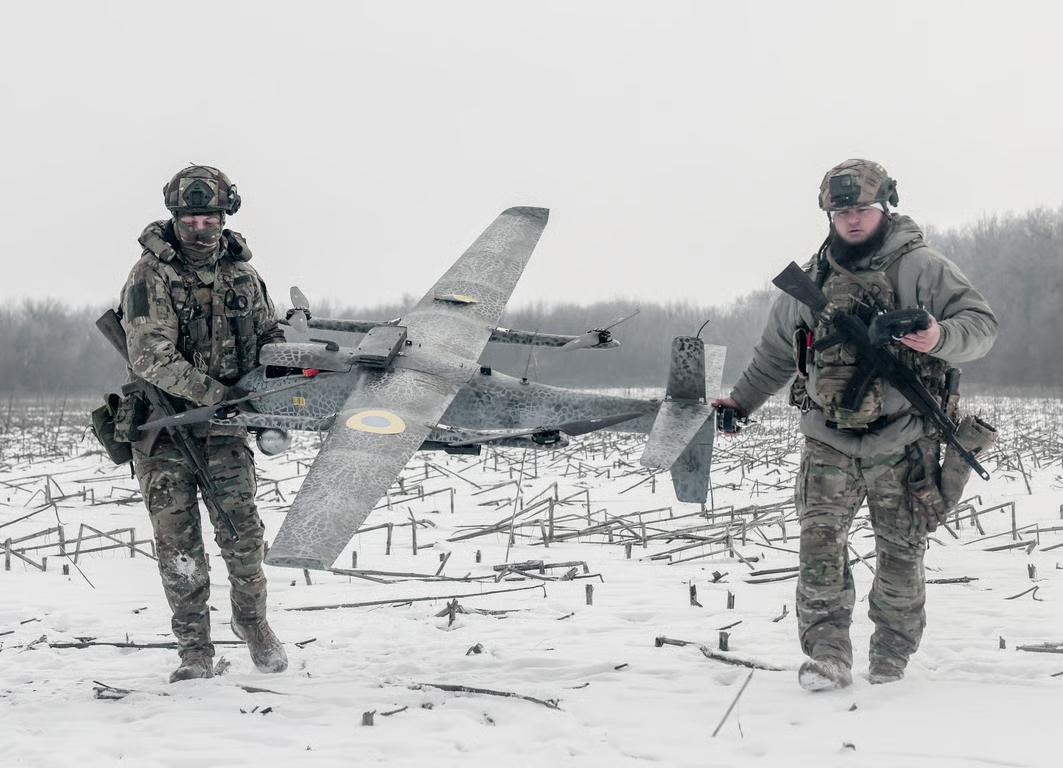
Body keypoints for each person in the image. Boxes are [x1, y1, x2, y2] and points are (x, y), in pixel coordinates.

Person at [713, 159, 997, 690]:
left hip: (905, 439)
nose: (853, 219)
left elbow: (981, 326)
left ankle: (890, 659)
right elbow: (775, 355)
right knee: (818, 550)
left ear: (884, 206)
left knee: (901, 556)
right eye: (842, 210)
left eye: (863, 208)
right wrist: (741, 404)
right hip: (827, 440)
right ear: (829, 214)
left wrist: (938, 337)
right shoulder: (810, 280)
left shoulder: (923, 268)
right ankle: (827, 655)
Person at [121, 165, 288, 682]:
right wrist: (218, 395)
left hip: (226, 432)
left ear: (225, 216)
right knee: (179, 547)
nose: (201, 228)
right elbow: (151, 356)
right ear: (176, 218)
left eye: (210, 217)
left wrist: (279, 361)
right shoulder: (150, 275)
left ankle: (253, 623)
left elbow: (266, 333)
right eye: (191, 218)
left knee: (243, 537)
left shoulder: (243, 274)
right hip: (165, 431)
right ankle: (194, 650)